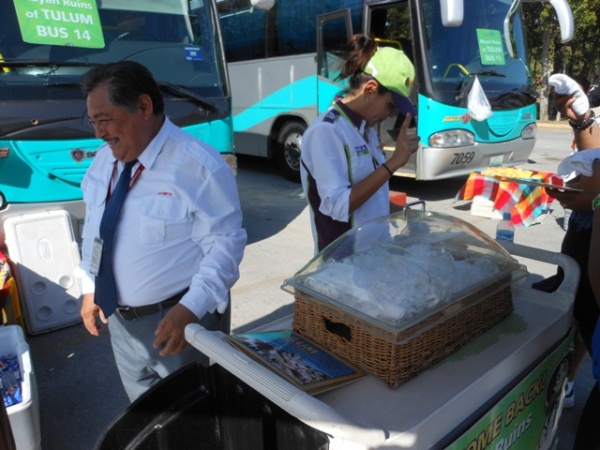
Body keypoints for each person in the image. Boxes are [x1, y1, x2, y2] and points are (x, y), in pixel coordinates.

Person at [78, 61, 247, 402]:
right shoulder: (103, 162)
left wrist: (191, 311)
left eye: (105, 119)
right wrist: (88, 285)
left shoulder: (199, 165)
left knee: (197, 416)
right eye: (93, 121)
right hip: (121, 325)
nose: (99, 133)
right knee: (146, 415)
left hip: (179, 321)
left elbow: (225, 246)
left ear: (143, 106)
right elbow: (95, 229)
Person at [300, 35, 420, 252]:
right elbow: (339, 206)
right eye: (391, 106)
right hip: (342, 264)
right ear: (370, 89)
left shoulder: (366, 129)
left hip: (372, 254)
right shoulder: (326, 132)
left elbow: (370, 196)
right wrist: (393, 164)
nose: (391, 115)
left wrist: (405, 213)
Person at [552, 78, 600, 449]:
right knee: (581, 309)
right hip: (587, 233)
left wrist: (594, 201)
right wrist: (583, 122)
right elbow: (594, 162)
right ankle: (568, 379)